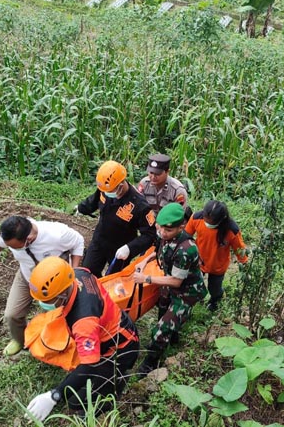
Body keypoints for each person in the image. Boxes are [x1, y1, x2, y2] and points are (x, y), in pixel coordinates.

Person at [25, 257, 139, 422]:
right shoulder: (78, 274)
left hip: (119, 349)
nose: (43, 304)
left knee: (76, 401)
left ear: (63, 293)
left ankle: (114, 389)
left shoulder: (84, 322)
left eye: (47, 300)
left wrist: (55, 395)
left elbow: (90, 364)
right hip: (117, 324)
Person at [0, 215, 84, 356]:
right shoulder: (10, 236)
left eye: (15, 247)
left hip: (53, 281)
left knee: (54, 314)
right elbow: (1, 242)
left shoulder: (56, 235)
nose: (11, 248)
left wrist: (74, 272)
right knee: (12, 314)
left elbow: (78, 242)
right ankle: (21, 340)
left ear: (28, 240)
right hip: (27, 276)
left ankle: (55, 343)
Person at [131, 203, 206, 376]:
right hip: (169, 284)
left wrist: (146, 279)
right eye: (160, 228)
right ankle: (173, 335)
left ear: (181, 227)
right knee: (162, 307)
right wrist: (144, 260)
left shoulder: (186, 249)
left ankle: (151, 362)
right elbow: (158, 248)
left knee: (160, 330)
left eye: (168, 230)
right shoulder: (164, 232)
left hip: (186, 292)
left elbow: (176, 281)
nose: (163, 233)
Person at [76, 160, 157, 277]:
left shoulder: (140, 205)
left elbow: (150, 235)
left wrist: (129, 248)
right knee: (88, 272)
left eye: (111, 191)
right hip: (99, 239)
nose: (107, 193)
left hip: (120, 249)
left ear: (120, 185)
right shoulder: (106, 188)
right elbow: (94, 200)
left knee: (114, 280)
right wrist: (81, 208)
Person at [185, 200, 248, 312]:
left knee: (214, 288)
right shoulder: (196, 218)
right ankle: (198, 299)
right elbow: (186, 236)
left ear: (221, 220)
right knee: (193, 283)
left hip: (218, 265)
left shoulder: (231, 230)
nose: (207, 223)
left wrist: (244, 265)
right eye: (205, 219)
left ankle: (215, 301)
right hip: (198, 260)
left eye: (211, 222)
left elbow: (240, 250)